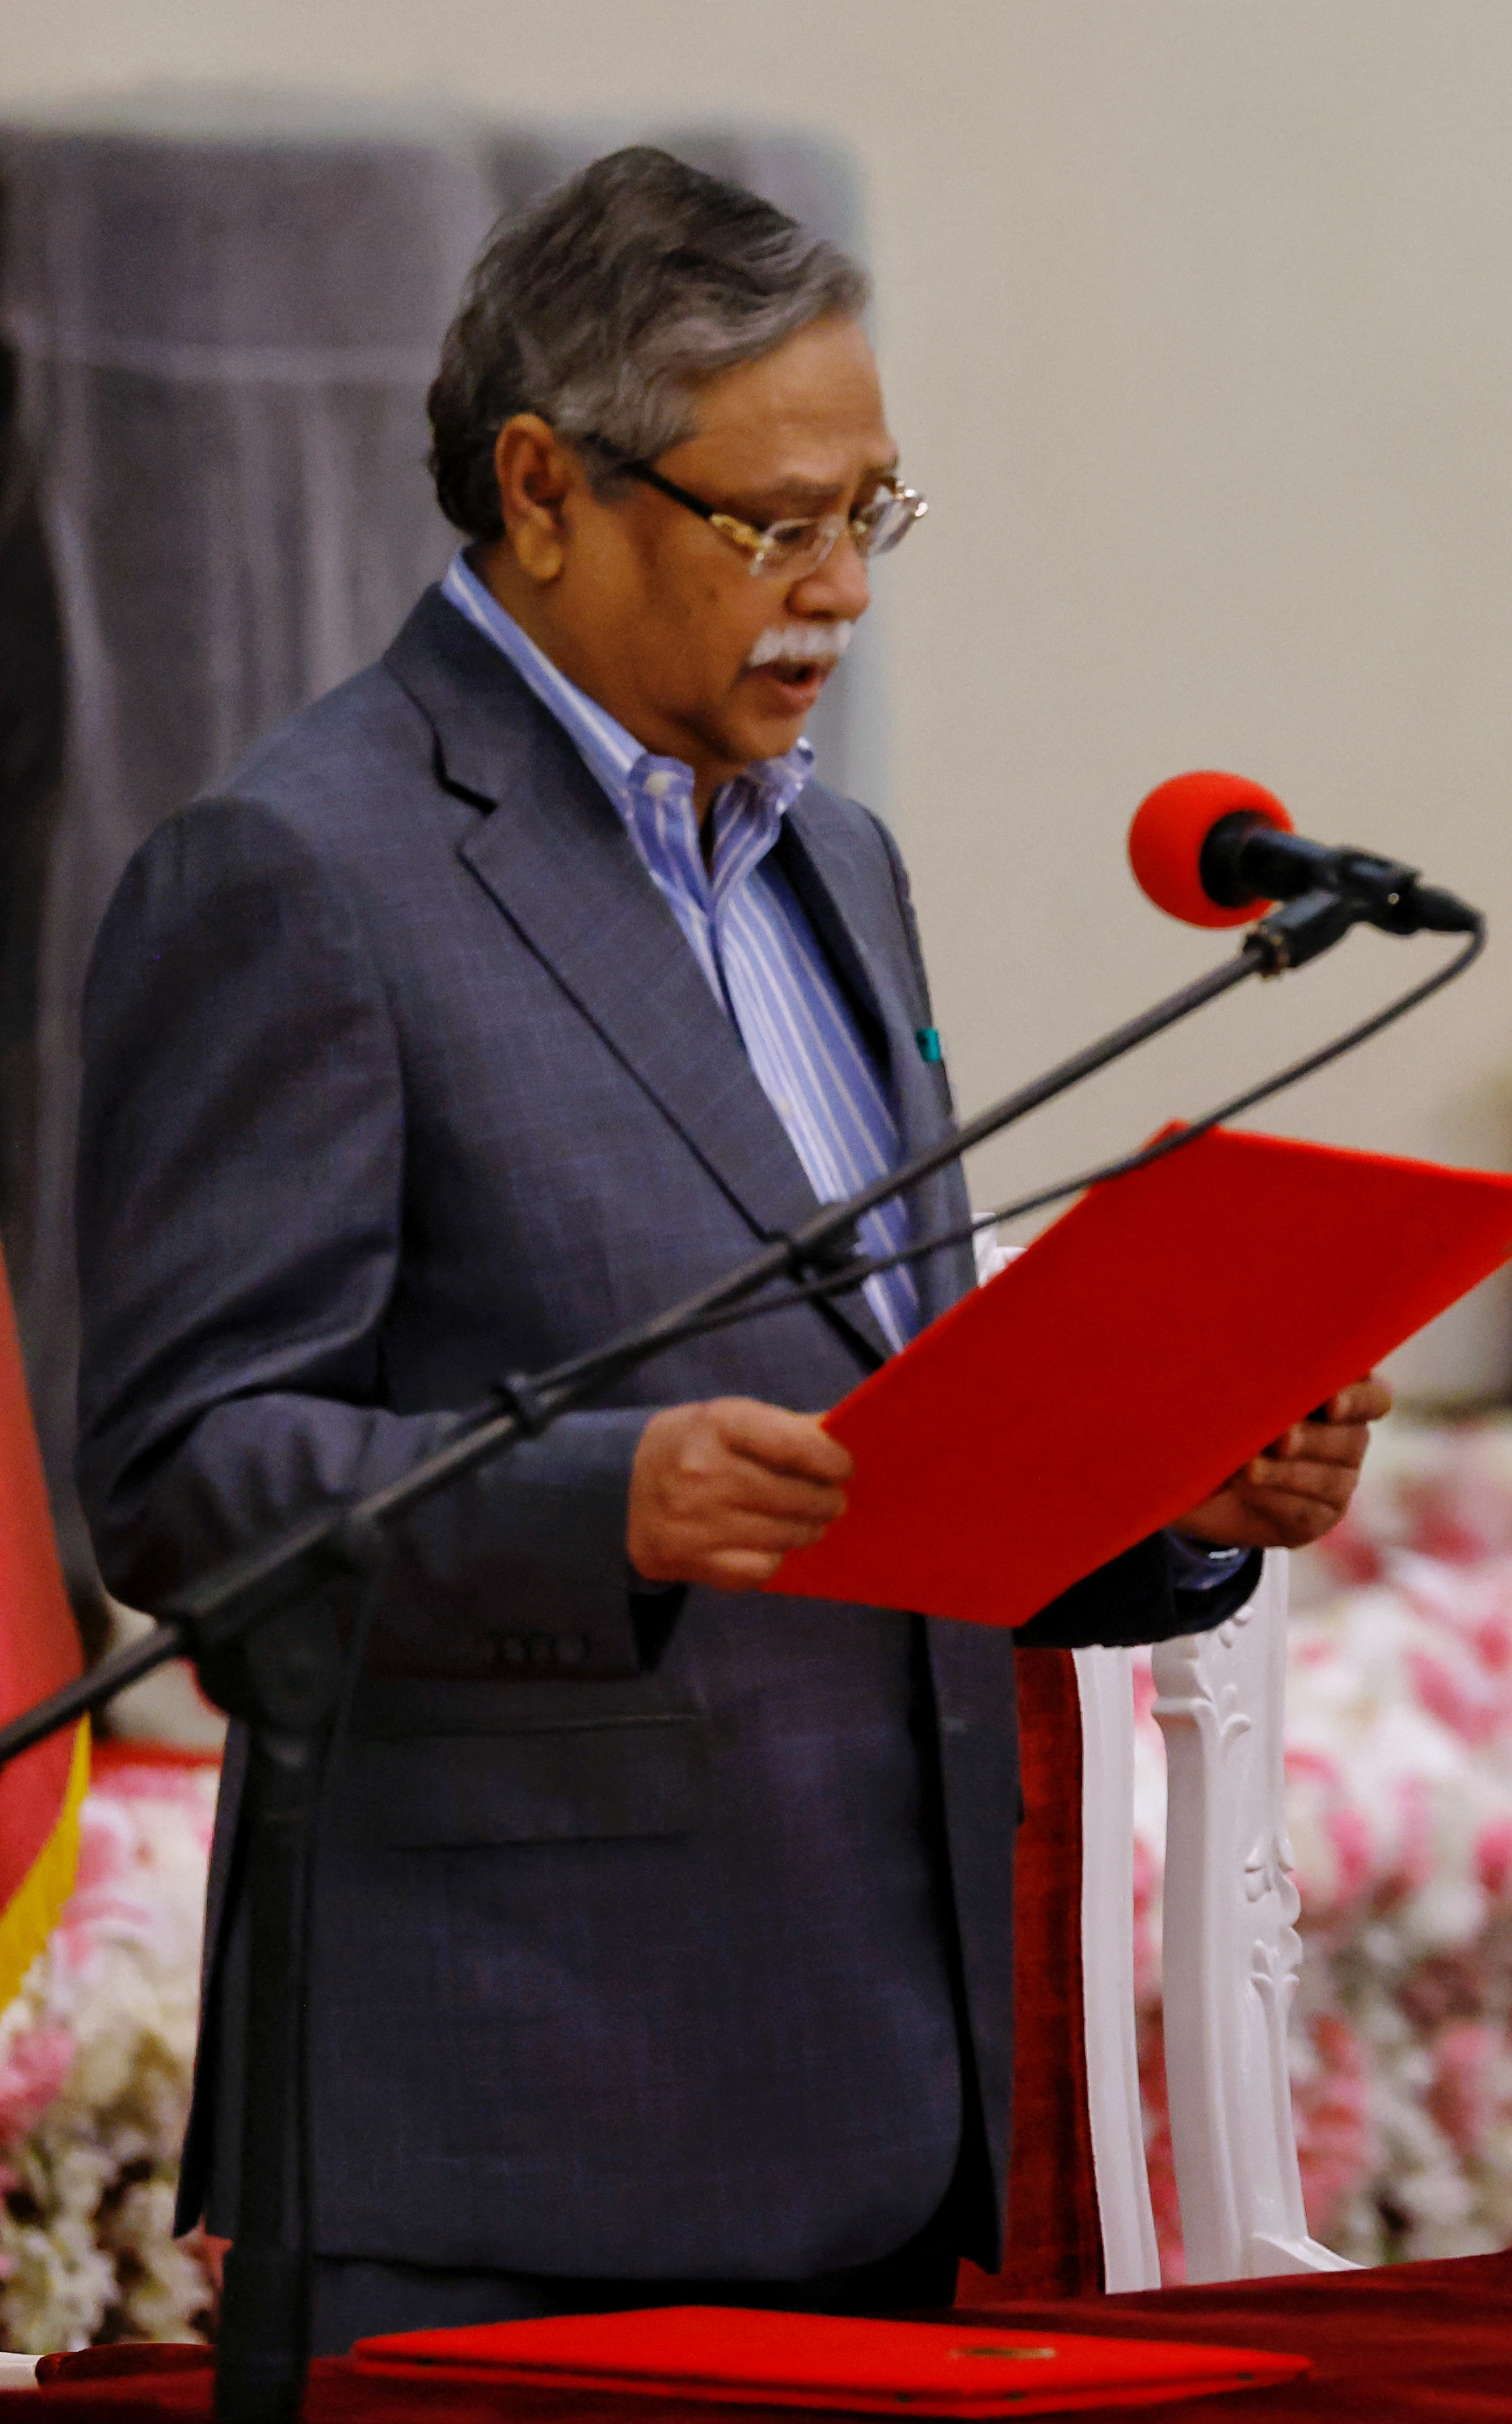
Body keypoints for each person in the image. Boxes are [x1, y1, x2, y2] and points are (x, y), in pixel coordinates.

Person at [71, 149, 1389, 2345]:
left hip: (884, 2081)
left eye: (873, 509)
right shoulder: (300, 867)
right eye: (774, 519)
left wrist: (1166, 1493)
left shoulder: (836, 863)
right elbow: (181, 1480)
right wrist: (613, 1498)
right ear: (540, 485)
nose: (840, 587)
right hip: (518, 2119)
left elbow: (900, 1445)